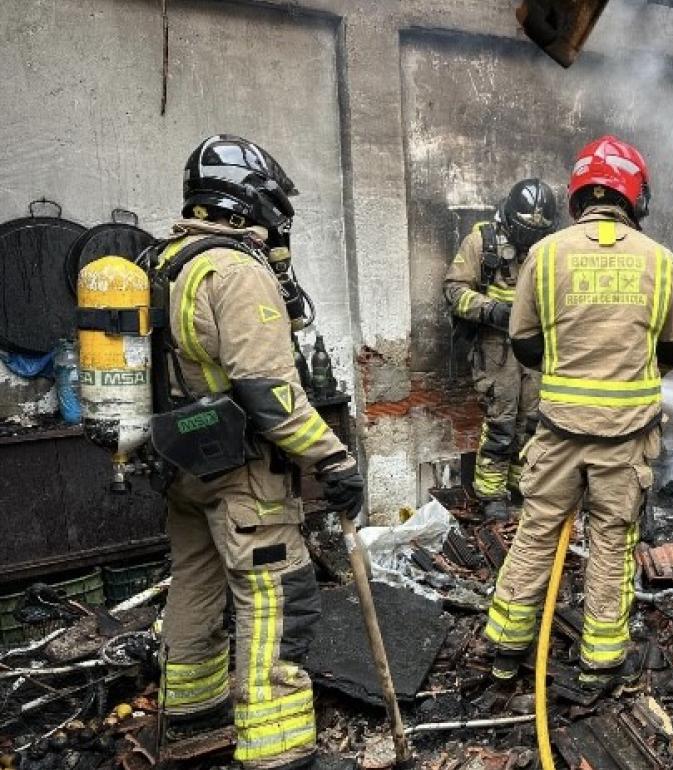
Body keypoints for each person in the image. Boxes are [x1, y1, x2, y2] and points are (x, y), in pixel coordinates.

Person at [152, 135, 364, 770]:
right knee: (275, 594)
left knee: (196, 576)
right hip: (242, 471)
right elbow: (270, 395)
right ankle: (276, 747)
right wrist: (334, 459)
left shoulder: (165, 261)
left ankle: (191, 708)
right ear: (249, 200)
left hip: (184, 462)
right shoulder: (237, 271)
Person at [484, 136, 673, 687]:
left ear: (577, 195)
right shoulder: (659, 260)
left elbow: (524, 342)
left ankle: (505, 650)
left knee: (535, 535)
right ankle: (600, 663)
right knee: (611, 543)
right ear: (635, 197)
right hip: (626, 440)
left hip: (556, 434)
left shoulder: (544, 255)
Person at [443, 179, 557, 519]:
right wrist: (491, 310)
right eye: (524, 230)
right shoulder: (482, 241)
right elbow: (453, 290)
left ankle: (521, 486)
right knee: (502, 421)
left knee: (534, 421)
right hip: (496, 346)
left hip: (536, 346)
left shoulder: (551, 246)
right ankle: (491, 494)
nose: (529, 239)